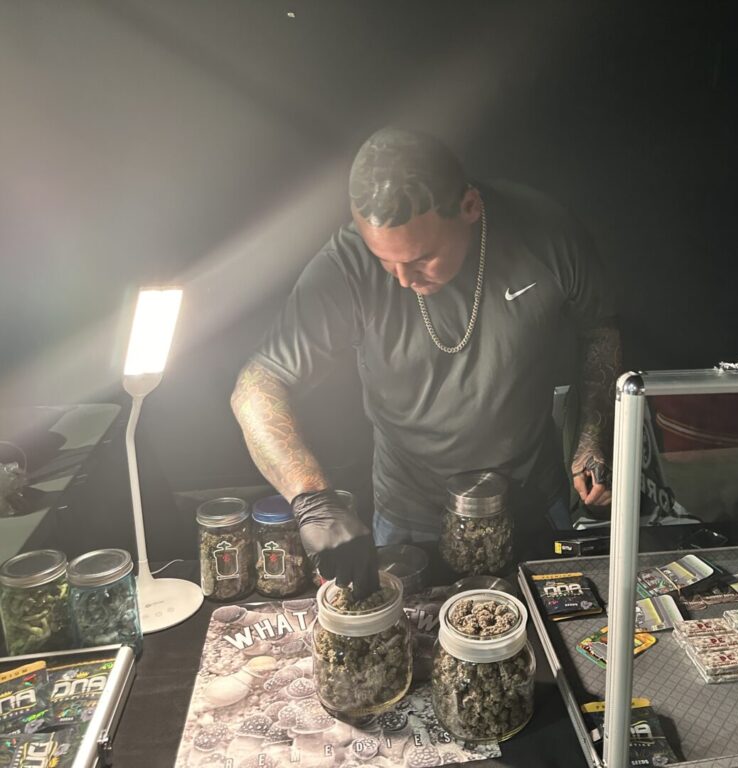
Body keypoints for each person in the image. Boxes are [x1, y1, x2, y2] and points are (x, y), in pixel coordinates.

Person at [231, 128, 621, 597]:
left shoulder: (547, 233)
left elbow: (599, 329)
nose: (401, 279)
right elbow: (256, 384)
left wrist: (593, 435)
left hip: (533, 497)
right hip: (409, 513)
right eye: (384, 260)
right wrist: (312, 497)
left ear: (470, 207)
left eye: (421, 258)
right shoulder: (347, 266)